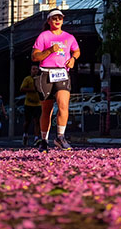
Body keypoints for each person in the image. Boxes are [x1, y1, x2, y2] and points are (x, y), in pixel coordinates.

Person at [31, 9, 80, 153]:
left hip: (62, 73)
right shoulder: (44, 36)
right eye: (54, 18)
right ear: (49, 21)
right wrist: (50, 50)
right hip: (46, 73)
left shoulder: (69, 37)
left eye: (60, 18)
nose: (57, 20)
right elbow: (35, 57)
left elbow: (76, 50)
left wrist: (73, 59)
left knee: (63, 104)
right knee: (47, 110)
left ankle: (60, 137)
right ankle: (44, 140)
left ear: (63, 20)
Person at [20, 64, 42, 146]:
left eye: (36, 69)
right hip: (28, 103)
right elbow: (22, 89)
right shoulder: (27, 79)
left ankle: (36, 137)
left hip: (38, 103)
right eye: (33, 69)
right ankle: (25, 134)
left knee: (37, 121)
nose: (35, 70)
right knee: (27, 121)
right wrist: (32, 90)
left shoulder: (40, 79)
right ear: (31, 70)